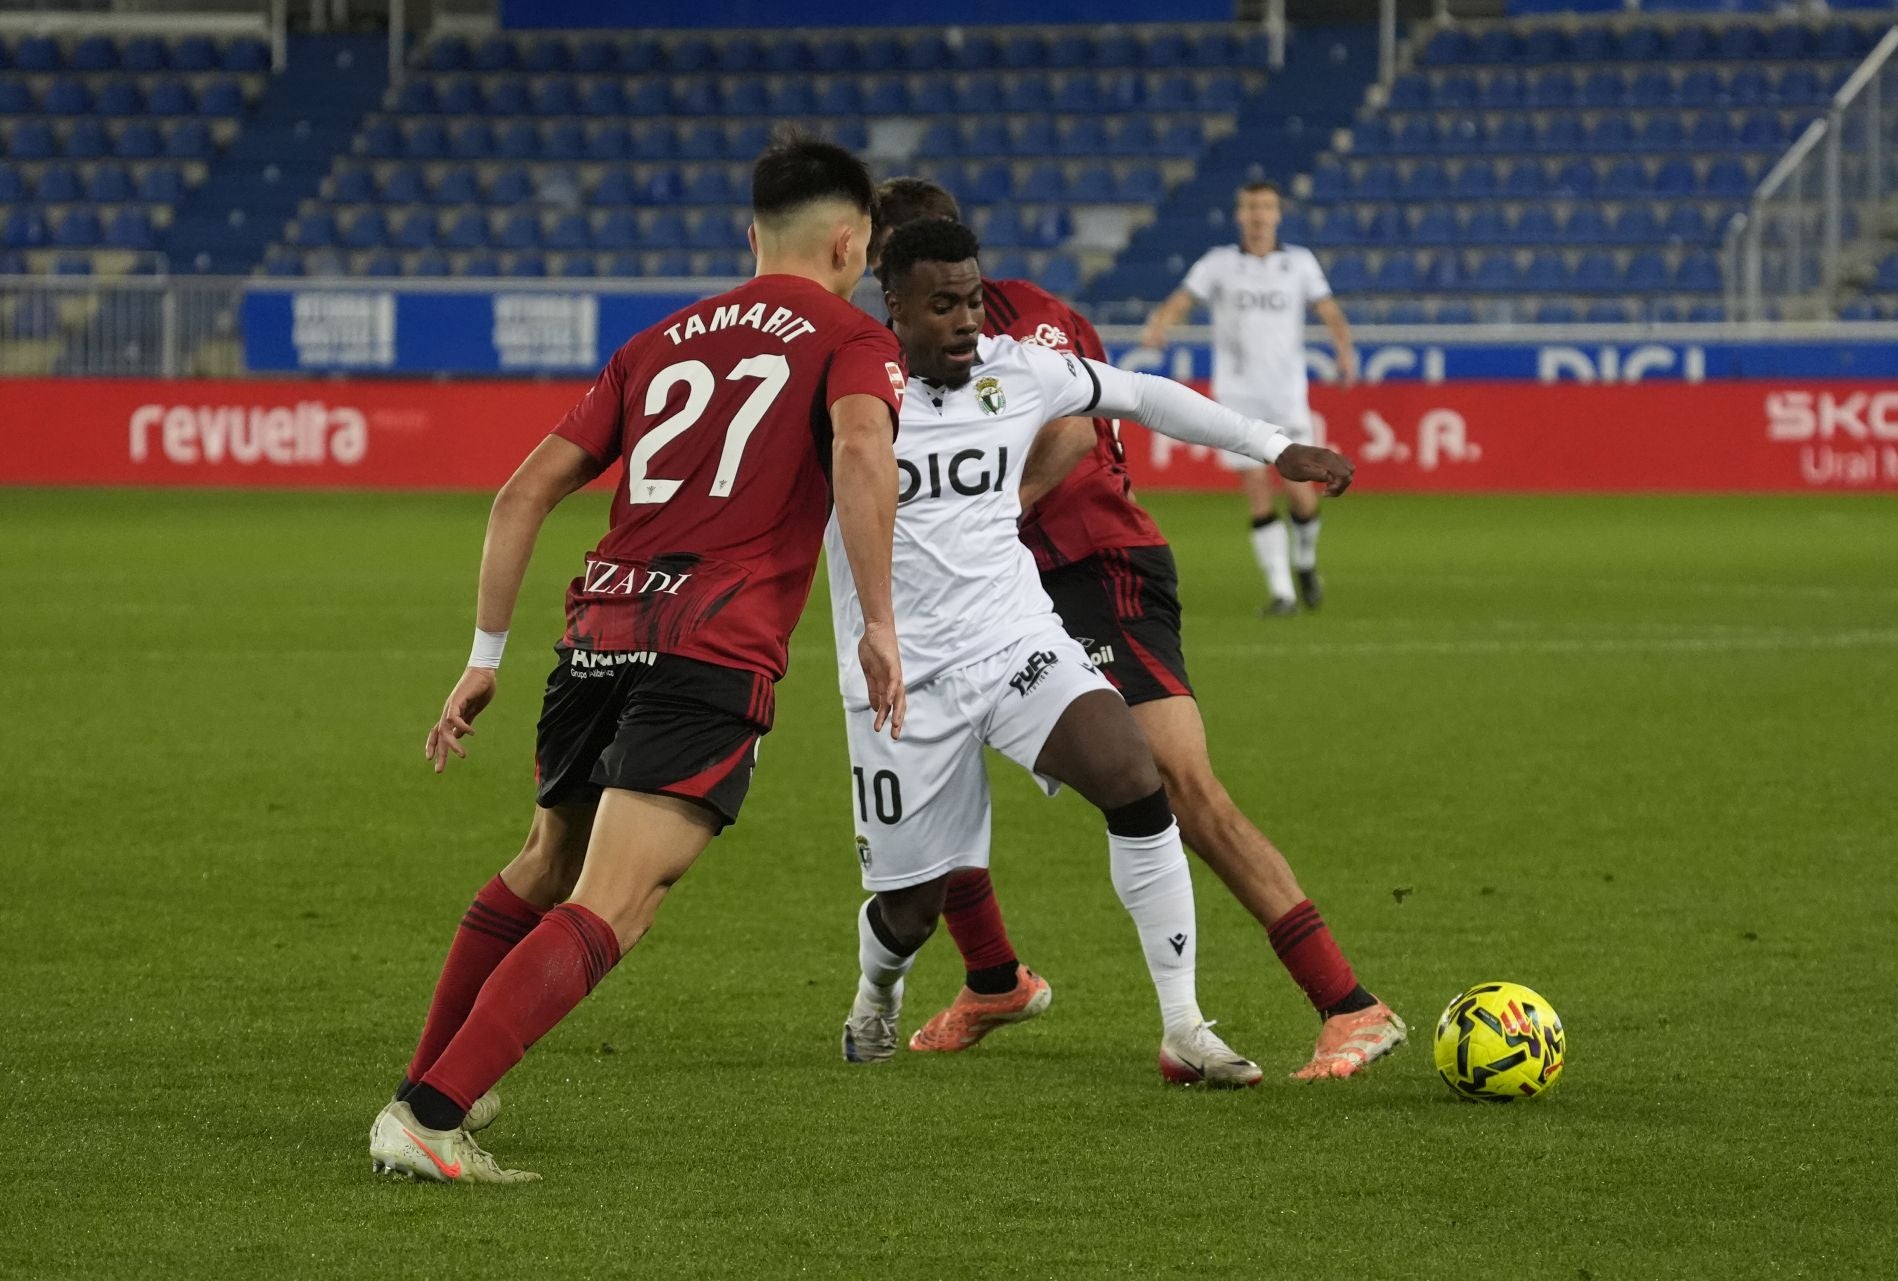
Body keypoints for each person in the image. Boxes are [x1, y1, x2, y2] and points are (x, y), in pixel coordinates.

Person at [367, 135, 909, 1184]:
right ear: (850, 242)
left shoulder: (658, 340)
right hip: (710, 643)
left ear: (752, 236)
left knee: (546, 862)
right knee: (618, 898)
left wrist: (484, 656)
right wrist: (878, 619)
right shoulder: (852, 337)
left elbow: (520, 493)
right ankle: (430, 1116)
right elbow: (857, 448)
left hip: (599, 631)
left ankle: (429, 1081)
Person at [868, 178, 1405, 1083]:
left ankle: (1347, 1002)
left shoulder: (1023, 323)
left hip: (1095, 563)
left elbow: (1078, 432)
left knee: (1175, 784)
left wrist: (989, 512)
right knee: (932, 760)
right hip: (1003, 589)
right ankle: (993, 976)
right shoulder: (894, 348)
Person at [1141, 180, 1358, 617]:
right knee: (1257, 490)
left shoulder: (1299, 263)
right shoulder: (1219, 263)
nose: (1259, 215)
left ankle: (1305, 560)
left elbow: (1328, 310)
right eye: (1252, 207)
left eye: (1266, 207)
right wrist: (1160, 323)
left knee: (1301, 493)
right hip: (1238, 396)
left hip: (1286, 394)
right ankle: (1282, 593)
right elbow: (1183, 299)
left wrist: (1344, 349)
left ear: (1277, 214)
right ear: (1240, 214)